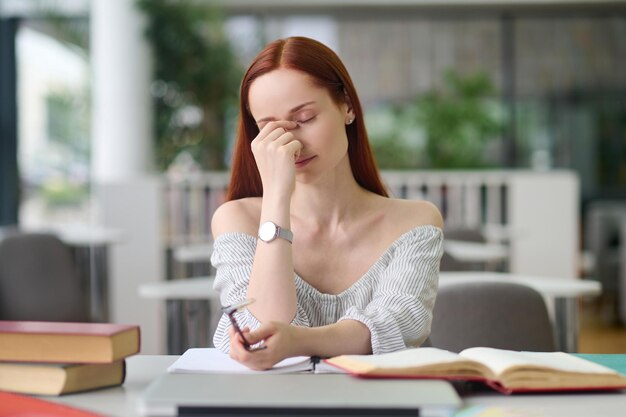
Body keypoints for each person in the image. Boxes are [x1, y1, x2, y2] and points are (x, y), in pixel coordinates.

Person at [211, 36, 443, 370]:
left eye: (304, 119)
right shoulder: (236, 219)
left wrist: (299, 341)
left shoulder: (415, 222)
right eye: (269, 129)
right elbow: (263, 335)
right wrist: (276, 195)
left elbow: (395, 325)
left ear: (347, 106)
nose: (289, 143)